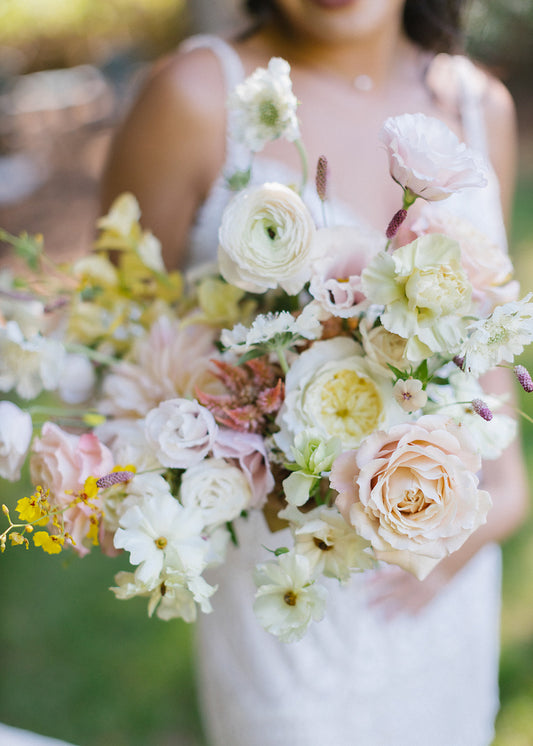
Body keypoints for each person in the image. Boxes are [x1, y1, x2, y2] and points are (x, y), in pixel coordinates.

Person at [101, 1, 529, 744]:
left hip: (440, 588)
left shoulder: (478, 106)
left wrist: (487, 514)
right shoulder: (194, 97)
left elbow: (497, 392)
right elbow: (113, 352)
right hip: (281, 602)